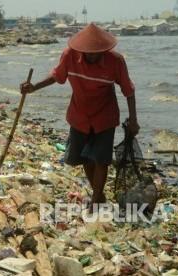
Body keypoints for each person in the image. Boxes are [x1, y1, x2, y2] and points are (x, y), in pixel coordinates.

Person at [20, 23, 139, 209]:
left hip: (104, 117)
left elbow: (129, 91)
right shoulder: (70, 56)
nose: (91, 55)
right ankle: (98, 195)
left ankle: (96, 199)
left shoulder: (115, 61)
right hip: (79, 115)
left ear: (104, 50)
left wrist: (133, 119)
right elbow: (56, 77)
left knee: (101, 160)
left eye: (96, 52)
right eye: (88, 52)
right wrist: (34, 87)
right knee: (84, 158)